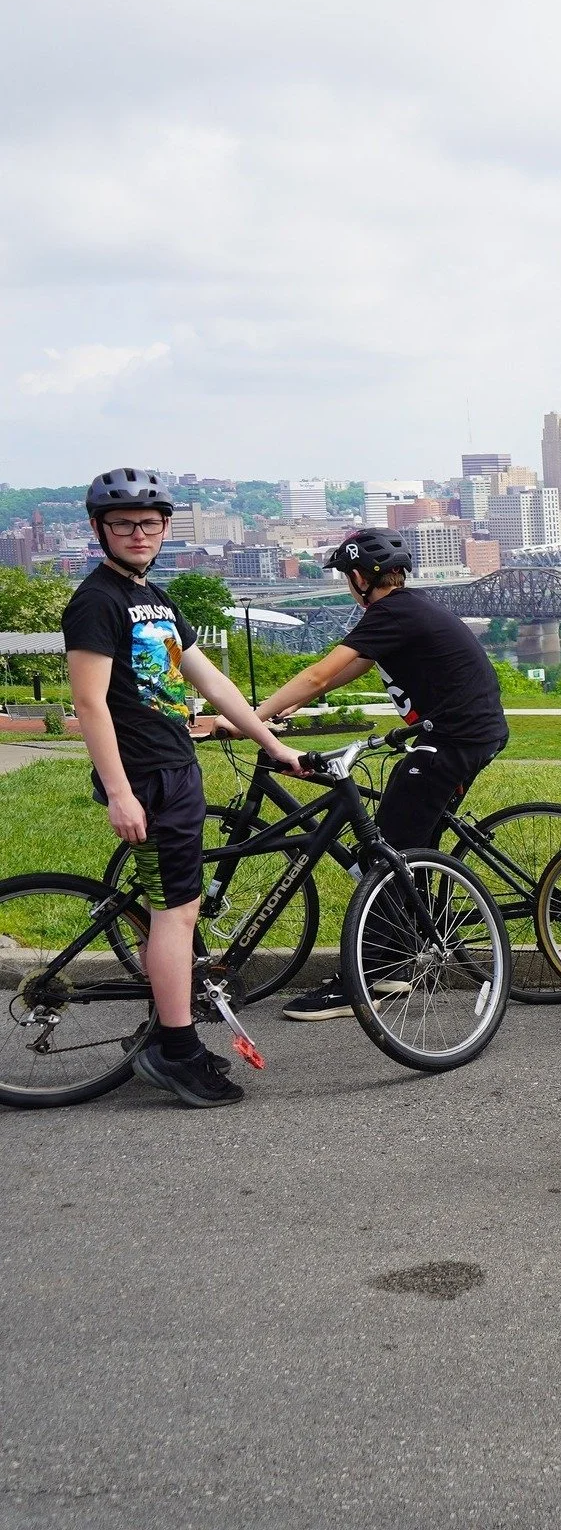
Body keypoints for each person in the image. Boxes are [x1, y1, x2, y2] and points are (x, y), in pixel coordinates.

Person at [63, 467, 304, 1108]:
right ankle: (177, 1049)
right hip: (146, 776)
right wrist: (118, 791)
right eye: (123, 524)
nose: (138, 533)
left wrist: (272, 744)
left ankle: (171, 1033)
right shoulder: (97, 601)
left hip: (177, 767)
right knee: (177, 913)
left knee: (177, 908)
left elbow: (213, 683)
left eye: (150, 523)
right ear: (99, 530)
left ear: (166, 527)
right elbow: (90, 704)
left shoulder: (156, 600)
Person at [234, 528, 510, 1021]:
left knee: (384, 853)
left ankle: (370, 977)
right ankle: (401, 945)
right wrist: (282, 709)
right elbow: (343, 671)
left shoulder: (392, 612)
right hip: (468, 735)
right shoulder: (405, 611)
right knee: (404, 840)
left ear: (360, 578)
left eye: (346, 577)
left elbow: (320, 672)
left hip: (451, 742)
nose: (347, 584)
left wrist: (249, 719)